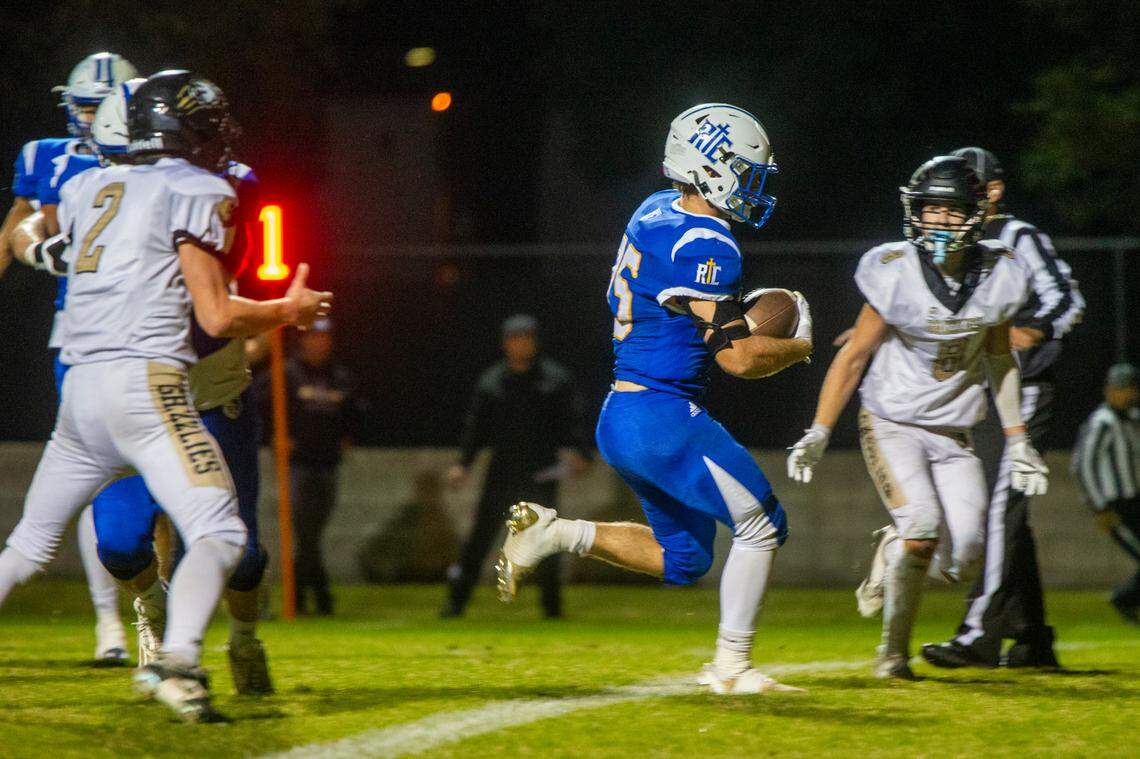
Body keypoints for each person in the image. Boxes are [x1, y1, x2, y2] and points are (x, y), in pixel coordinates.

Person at [0, 69, 331, 722]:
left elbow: (35, 240)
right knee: (222, 532)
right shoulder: (200, 188)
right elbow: (216, 316)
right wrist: (288, 311)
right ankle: (179, 664)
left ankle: (189, 648)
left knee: (29, 545)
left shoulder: (90, 185)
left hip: (81, 388)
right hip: (148, 386)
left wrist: (37, 248)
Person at [496, 103, 813, 694]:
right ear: (713, 168)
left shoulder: (655, 209)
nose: (752, 187)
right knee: (763, 525)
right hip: (663, 415)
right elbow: (739, 359)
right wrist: (800, 345)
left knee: (685, 559)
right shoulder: (707, 243)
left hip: (623, 414)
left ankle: (554, 534)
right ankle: (732, 668)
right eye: (746, 172)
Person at [786, 155, 1048, 680]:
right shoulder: (895, 270)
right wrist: (819, 430)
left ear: (975, 215)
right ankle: (893, 655)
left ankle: (895, 548)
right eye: (930, 209)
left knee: (965, 556)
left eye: (952, 211)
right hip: (892, 423)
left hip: (955, 434)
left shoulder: (1000, 273)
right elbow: (854, 356)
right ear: (915, 211)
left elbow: (1000, 360)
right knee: (923, 528)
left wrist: (1018, 439)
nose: (939, 221)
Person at [918, 147, 1085, 669]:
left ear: (992, 191)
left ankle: (978, 634)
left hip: (1023, 384)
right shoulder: (955, 245)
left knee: (995, 505)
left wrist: (1031, 330)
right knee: (1008, 515)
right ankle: (1033, 637)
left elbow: (1067, 298)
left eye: (966, 188)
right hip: (979, 392)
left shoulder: (1017, 235)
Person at [0, 52, 138, 665]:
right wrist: (38, 247)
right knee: (109, 481)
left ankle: (135, 621)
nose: (89, 118)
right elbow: (22, 228)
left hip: (144, 337)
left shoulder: (156, 167)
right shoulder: (55, 160)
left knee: (116, 490)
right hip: (89, 337)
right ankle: (117, 625)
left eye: (98, 106)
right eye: (81, 106)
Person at [441, 314, 592, 619]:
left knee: (547, 539)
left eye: (527, 338)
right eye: (515, 339)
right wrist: (463, 464)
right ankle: (455, 604)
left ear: (535, 342)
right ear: (506, 343)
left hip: (541, 473)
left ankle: (552, 609)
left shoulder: (555, 380)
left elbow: (573, 420)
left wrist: (582, 453)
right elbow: (476, 428)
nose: (521, 344)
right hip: (502, 472)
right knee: (480, 539)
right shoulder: (492, 382)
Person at [285, 317, 359, 615]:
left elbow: (354, 412)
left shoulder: (339, 376)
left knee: (311, 534)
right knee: (306, 532)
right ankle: (318, 597)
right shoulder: (288, 373)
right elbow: (263, 405)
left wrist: (347, 436)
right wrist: (277, 436)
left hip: (328, 464)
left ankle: (303, 597)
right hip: (298, 465)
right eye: (314, 336)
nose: (320, 342)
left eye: (324, 337)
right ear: (303, 340)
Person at [1073, 363, 1140, 623]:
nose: (1127, 394)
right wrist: (1098, 506)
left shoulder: (1132, 419)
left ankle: (1125, 598)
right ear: (1109, 391)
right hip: (1117, 504)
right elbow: (1083, 466)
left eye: (1131, 388)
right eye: (1121, 389)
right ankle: (1124, 598)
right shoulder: (1102, 422)